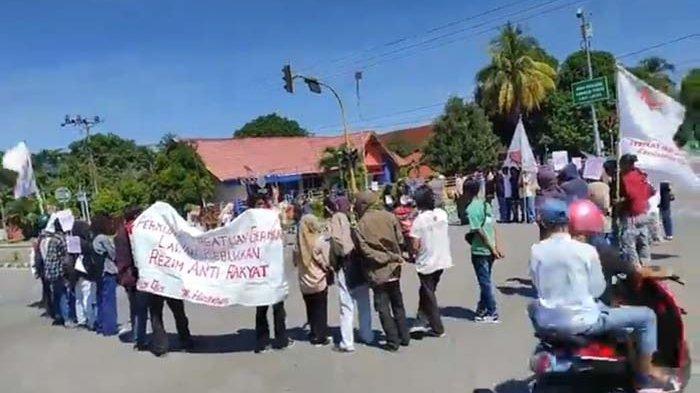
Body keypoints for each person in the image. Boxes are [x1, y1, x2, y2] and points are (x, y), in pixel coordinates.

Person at [529, 198, 678, 392]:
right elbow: (597, 289)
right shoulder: (587, 250)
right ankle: (644, 378)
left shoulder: (536, 250)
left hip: (548, 322)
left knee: (532, 306)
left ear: (542, 222)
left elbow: (536, 282)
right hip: (585, 321)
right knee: (647, 317)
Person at [353, 191, 410, 351]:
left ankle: (393, 341)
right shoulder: (389, 216)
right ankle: (404, 336)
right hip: (394, 267)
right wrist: (394, 256)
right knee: (398, 303)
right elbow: (400, 239)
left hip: (377, 271)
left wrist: (381, 258)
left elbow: (364, 250)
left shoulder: (361, 224)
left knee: (383, 307)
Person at [327, 196, 373, 353]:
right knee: (364, 302)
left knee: (346, 306)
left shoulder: (337, 218)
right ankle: (367, 335)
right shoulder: (353, 218)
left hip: (345, 264)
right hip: (359, 263)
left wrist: (335, 260)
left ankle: (347, 342)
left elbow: (336, 241)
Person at [407, 186, 452, 337]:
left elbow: (415, 246)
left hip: (427, 261)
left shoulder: (419, 221)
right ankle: (420, 321)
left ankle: (437, 327)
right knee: (426, 291)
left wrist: (411, 255)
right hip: (442, 258)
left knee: (428, 293)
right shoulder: (442, 214)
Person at [251, 193, 293, 353]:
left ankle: (281, 339)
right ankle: (262, 341)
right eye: (258, 204)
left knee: (278, 307)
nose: (261, 206)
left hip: (274, 272)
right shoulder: (249, 222)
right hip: (259, 273)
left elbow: (282, 230)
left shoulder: (271, 220)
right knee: (261, 309)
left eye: (263, 203)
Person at [115, 206, 150, 350]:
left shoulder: (120, 234)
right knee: (142, 309)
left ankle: (137, 335)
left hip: (126, 275)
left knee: (134, 307)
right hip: (136, 274)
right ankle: (140, 339)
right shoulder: (137, 232)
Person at [295, 214, 332, 347]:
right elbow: (326, 261)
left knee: (310, 307)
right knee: (320, 308)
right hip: (318, 279)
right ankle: (320, 336)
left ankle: (313, 331)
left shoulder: (298, 244)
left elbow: (295, 262)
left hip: (304, 281)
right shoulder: (318, 241)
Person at [618, 154, 654, 266]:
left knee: (629, 243)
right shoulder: (641, 175)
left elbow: (631, 194)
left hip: (631, 214)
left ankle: (635, 268)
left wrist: (620, 201)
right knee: (643, 241)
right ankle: (646, 264)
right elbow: (651, 191)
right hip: (643, 211)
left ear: (626, 164)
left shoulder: (626, 177)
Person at [42, 218, 73, 327]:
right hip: (64, 270)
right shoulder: (65, 239)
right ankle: (68, 318)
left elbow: (50, 259)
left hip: (55, 271)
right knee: (66, 294)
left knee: (59, 294)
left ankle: (61, 316)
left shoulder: (53, 240)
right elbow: (67, 257)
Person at [92, 215, 119, 336]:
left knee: (101, 299)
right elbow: (113, 254)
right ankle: (110, 327)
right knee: (109, 300)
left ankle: (101, 324)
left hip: (98, 273)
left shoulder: (93, 238)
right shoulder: (103, 238)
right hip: (108, 271)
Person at [72, 220, 99, 331]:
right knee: (88, 297)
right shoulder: (86, 243)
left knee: (78, 298)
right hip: (86, 272)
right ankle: (91, 321)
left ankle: (81, 319)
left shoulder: (71, 242)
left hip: (74, 274)